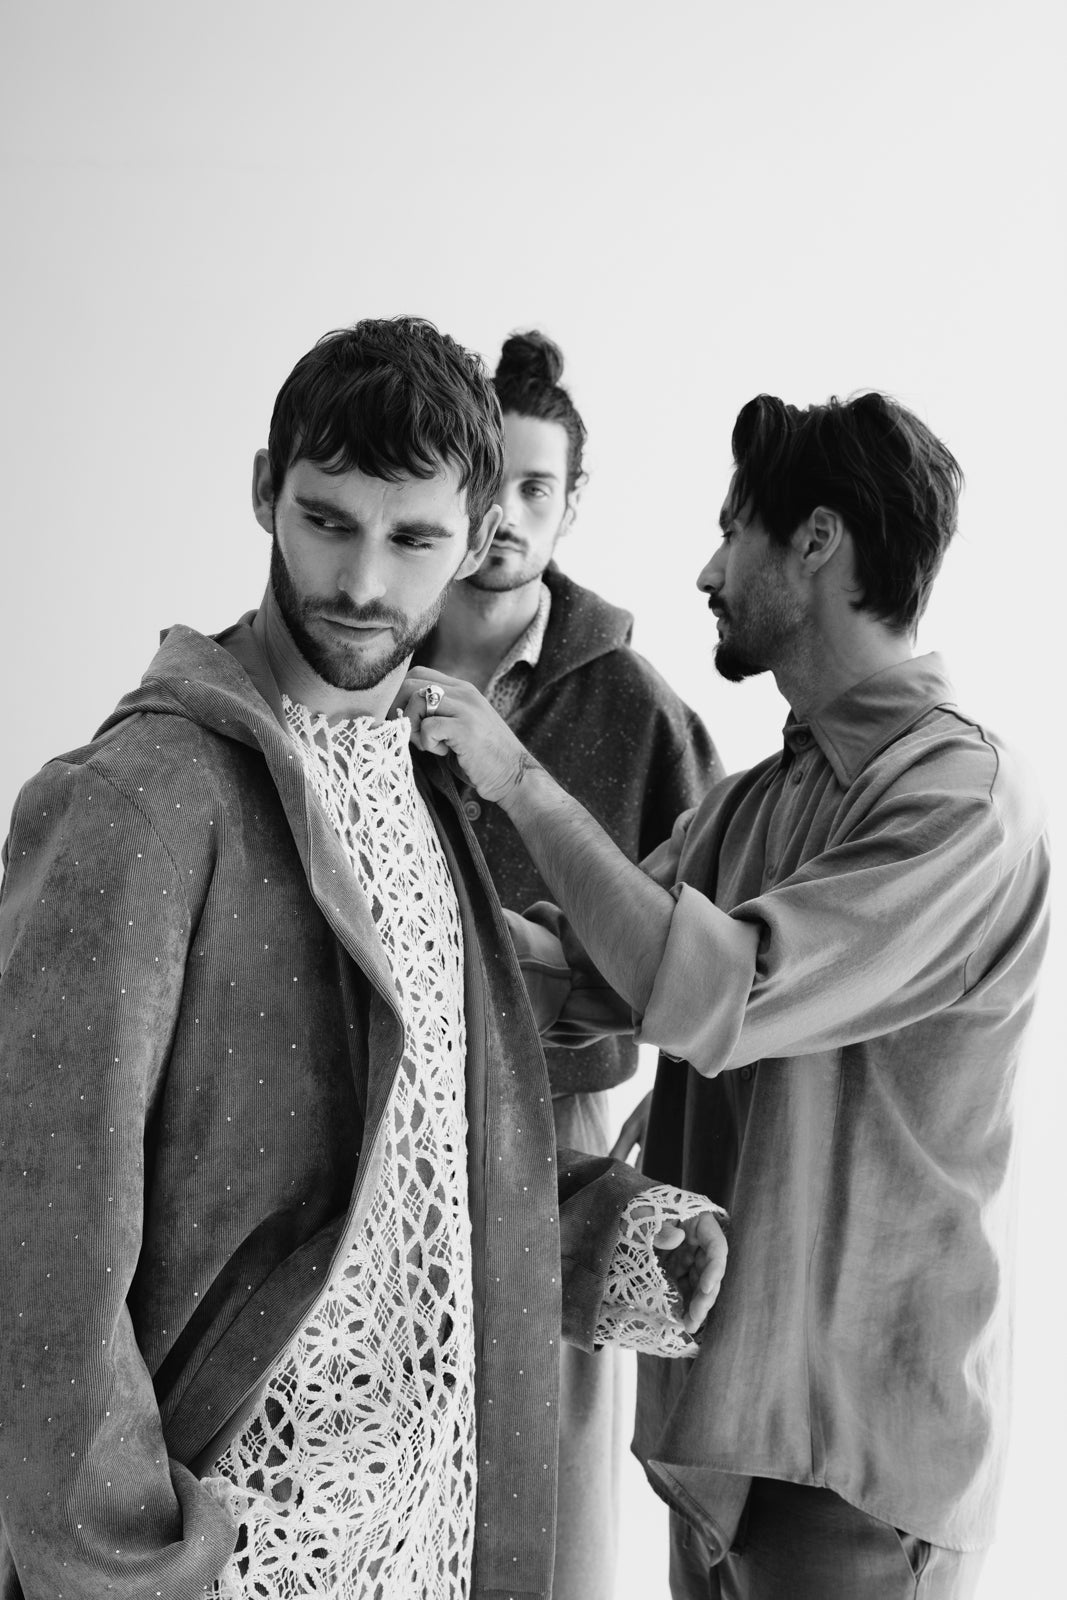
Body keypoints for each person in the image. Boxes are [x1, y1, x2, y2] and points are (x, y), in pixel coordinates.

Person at [0, 317, 729, 1600]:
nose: (360, 581)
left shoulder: (429, 785)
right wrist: (131, 1567)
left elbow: (415, 1146)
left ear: (480, 535)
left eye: (413, 540)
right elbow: (37, 1243)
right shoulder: (139, 800)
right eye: (326, 520)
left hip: (436, 1533)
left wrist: (601, 1232)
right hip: (236, 1547)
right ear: (263, 491)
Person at [399, 389, 1051, 1600]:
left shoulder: (962, 801)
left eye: (730, 531)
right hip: (722, 1453)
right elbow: (580, 972)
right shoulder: (752, 802)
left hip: (854, 1467)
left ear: (815, 541)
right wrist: (380, 910)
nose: (706, 571)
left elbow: (719, 990)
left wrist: (516, 778)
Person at [421, 329, 723, 1600]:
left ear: (570, 501)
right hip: (376, 1106)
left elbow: (709, 953)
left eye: (536, 489)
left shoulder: (637, 706)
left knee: (545, 1480)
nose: (506, 518)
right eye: (487, 487)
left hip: (563, 1129)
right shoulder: (364, 659)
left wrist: (663, 1123)